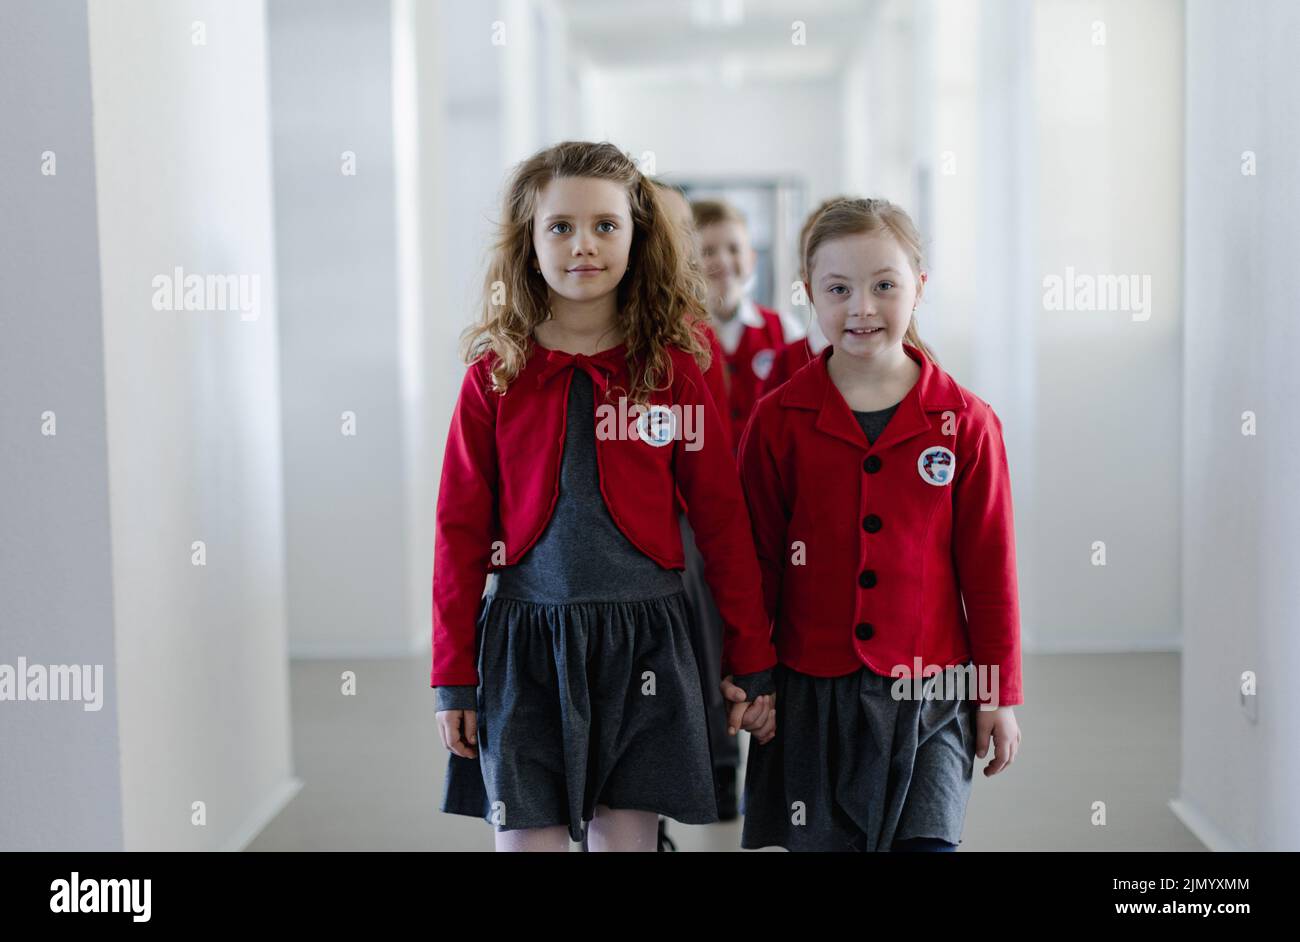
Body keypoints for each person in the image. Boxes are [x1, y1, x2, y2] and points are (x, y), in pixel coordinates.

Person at [431, 141, 777, 852]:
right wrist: (453, 678)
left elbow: (721, 521)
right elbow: (459, 530)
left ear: (636, 236)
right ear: (527, 242)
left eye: (605, 226)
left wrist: (751, 655)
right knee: (526, 841)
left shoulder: (675, 368)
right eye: (559, 226)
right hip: (525, 644)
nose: (582, 245)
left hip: (646, 643)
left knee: (627, 842)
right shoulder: (496, 373)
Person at [731, 197, 1023, 852]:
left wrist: (998, 694)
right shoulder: (778, 421)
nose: (862, 307)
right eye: (839, 289)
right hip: (812, 695)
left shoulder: (967, 422)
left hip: (935, 695)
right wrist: (751, 675)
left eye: (884, 285)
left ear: (918, 287)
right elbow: (756, 564)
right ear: (808, 294)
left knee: (929, 844)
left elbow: (989, 571)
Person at [692, 199, 788, 449]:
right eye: (708, 251)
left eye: (734, 249)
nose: (722, 261)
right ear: (689, 262)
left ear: (752, 259)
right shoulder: (676, 332)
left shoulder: (783, 328)